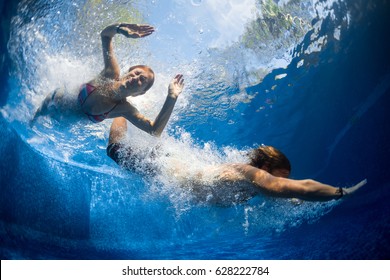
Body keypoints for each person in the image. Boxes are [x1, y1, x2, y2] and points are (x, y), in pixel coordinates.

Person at [106, 117, 367, 203]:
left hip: (172, 169)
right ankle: (122, 110)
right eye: (279, 175)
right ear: (265, 168)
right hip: (163, 164)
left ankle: (130, 114)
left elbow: (293, 195)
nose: (280, 182)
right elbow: (294, 187)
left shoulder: (250, 187)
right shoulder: (249, 174)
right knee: (116, 150)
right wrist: (339, 192)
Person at [31, 23, 184, 137]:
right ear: (128, 72)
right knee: (36, 118)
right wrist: (121, 29)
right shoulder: (110, 73)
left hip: (68, 120)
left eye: (141, 80)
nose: (135, 77)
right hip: (57, 98)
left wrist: (171, 97)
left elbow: (154, 130)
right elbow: (105, 35)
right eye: (136, 73)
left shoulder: (124, 109)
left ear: (139, 93)